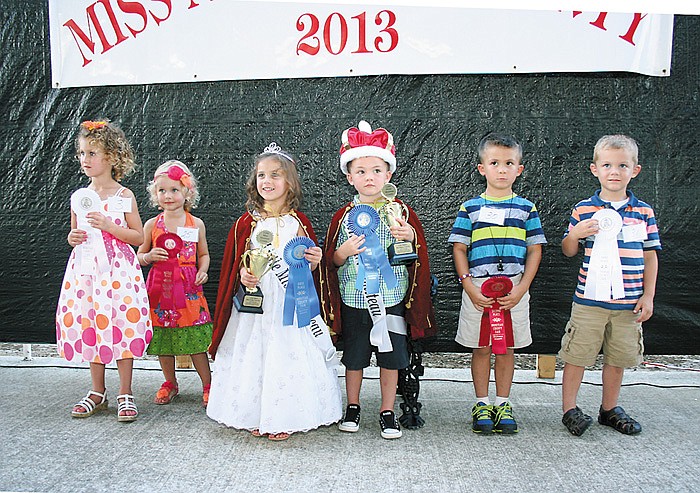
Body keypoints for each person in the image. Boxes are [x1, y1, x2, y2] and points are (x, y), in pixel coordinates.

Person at [207, 143, 342, 441]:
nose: (266, 181)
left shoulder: (299, 222)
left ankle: (284, 416)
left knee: (287, 353)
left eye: (275, 175)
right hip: (257, 303)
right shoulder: (246, 222)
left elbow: (309, 263)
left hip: (290, 302)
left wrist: (315, 260)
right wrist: (244, 275)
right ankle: (255, 413)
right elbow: (237, 264)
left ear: (290, 182)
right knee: (254, 353)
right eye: (261, 175)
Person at [321, 121, 436, 440]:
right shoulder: (342, 217)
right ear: (349, 177)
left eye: (376, 170)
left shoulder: (401, 212)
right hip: (354, 301)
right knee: (354, 358)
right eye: (360, 171)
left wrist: (410, 235)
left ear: (388, 175)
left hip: (391, 300)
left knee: (391, 357)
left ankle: (387, 410)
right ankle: (353, 406)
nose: (368, 177)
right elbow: (331, 260)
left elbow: (417, 252)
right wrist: (342, 252)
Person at [560, 135, 660, 436]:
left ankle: (609, 408)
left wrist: (649, 295)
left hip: (628, 303)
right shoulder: (583, 210)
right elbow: (568, 251)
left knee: (617, 359)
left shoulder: (644, 213)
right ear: (594, 169)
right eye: (607, 165)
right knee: (577, 356)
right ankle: (569, 409)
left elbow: (651, 256)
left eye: (622, 165)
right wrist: (575, 233)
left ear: (635, 170)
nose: (614, 171)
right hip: (589, 302)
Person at [448, 132, 546, 434]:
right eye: (494, 163)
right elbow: (459, 248)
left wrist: (522, 288)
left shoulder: (527, 209)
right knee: (480, 347)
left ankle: (503, 402)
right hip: (477, 288)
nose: (501, 169)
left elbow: (535, 249)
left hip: (514, 289)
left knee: (506, 349)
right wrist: (468, 286)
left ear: (519, 169)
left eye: (509, 163)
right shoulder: (470, 208)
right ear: (482, 169)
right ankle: (481, 403)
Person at [56, 119, 152, 422]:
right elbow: (76, 234)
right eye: (82, 153)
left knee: (121, 324)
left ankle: (126, 392)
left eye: (92, 153)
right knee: (92, 324)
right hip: (87, 273)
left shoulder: (124, 196)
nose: (85, 160)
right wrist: (73, 238)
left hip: (118, 271)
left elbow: (138, 237)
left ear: (111, 157)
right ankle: (97, 391)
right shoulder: (79, 197)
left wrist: (111, 226)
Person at [137, 160, 213, 408]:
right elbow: (139, 255)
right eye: (162, 190)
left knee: (195, 342)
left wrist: (203, 271)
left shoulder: (196, 224)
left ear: (187, 192)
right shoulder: (151, 225)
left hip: (190, 291)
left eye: (174, 190)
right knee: (164, 339)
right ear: (154, 194)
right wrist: (148, 257)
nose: (168, 196)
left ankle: (208, 385)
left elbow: (204, 254)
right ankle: (170, 382)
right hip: (161, 292)